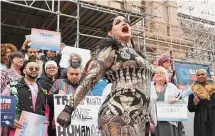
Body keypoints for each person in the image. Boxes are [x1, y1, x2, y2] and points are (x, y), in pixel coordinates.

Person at [57, 15, 154, 135]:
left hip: (140, 117)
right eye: (118, 22)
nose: (124, 24)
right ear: (110, 32)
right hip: (117, 113)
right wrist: (68, 109)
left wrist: (148, 117)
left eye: (127, 22)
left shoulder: (140, 55)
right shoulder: (112, 49)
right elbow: (90, 78)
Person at [1, 59, 49, 136]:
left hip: (37, 130)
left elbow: (45, 109)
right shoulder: (12, 86)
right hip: (17, 129)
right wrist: (9, 120)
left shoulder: (43, 89)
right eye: (31, 68)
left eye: (36, 69)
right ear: (24, 71)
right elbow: (3, 106)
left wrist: (45, 120)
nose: (34, 70)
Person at [149, 66, 182, 136]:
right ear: (154, 75)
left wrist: (176, 100)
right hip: (154, 122)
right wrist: (148, 123)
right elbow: (144, 106)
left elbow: (181, 100)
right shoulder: (149, 87)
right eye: (157, 73)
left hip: (170, 122)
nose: (159, 74)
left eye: (162, 73)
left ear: (166, 75)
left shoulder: (172, 87)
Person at [188, 69, 215, 136]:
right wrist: (195, 104)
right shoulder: (192, 90)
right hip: (201, 118)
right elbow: (190, 109)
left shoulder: (214, 88)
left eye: (203, 74)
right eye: (198, 75)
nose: (200, 76)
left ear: (207, 75)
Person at [37, 60, 58, 136]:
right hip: (46, 112)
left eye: (53, 67)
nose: (52, 69)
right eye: (49, 68)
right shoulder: (41, 81)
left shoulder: (56, 81)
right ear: (45, 70)